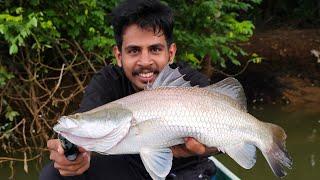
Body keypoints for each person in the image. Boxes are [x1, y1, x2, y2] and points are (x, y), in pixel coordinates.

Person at [40, 0, 220, 179]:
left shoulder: (193, 84)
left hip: (186, 170)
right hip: (129, 167)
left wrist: (208, 147)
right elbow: (88, 122)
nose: (145, 62)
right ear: (119, 55)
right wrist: (77, 153)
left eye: (155, 49)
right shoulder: (108, 81)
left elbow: (231, 136)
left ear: (170, 53)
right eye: (134, 51)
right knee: (53, 175)